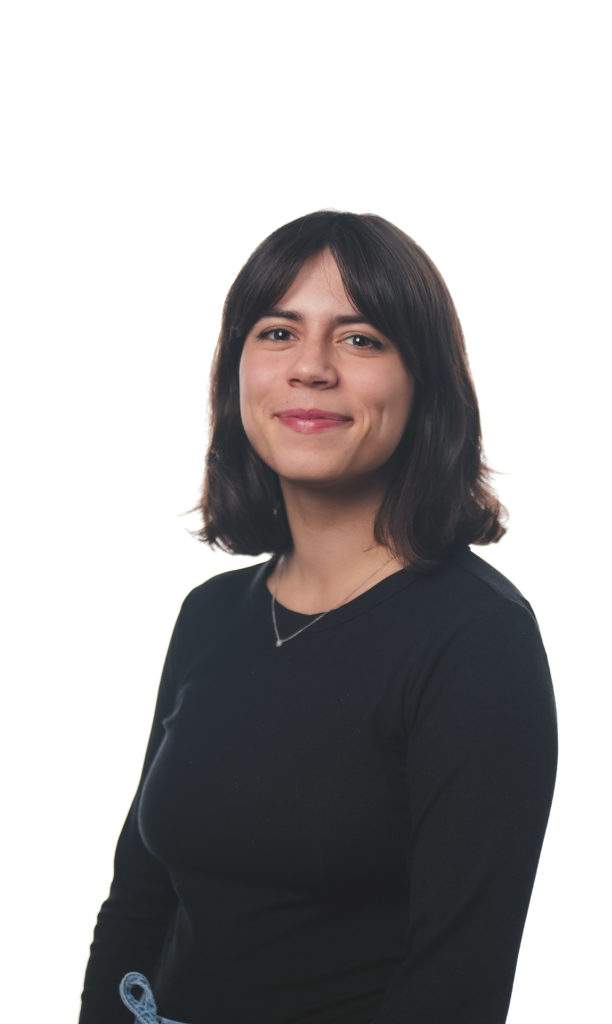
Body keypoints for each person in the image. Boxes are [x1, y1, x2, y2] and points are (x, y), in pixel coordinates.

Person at [78, 210, 558, 1024]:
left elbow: (456, 984)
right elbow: (139, 901)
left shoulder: (476, 637)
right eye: (277, 333)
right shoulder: (211, 615)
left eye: (360, 338)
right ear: (235, 371)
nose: (310, 368)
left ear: (424, 383)